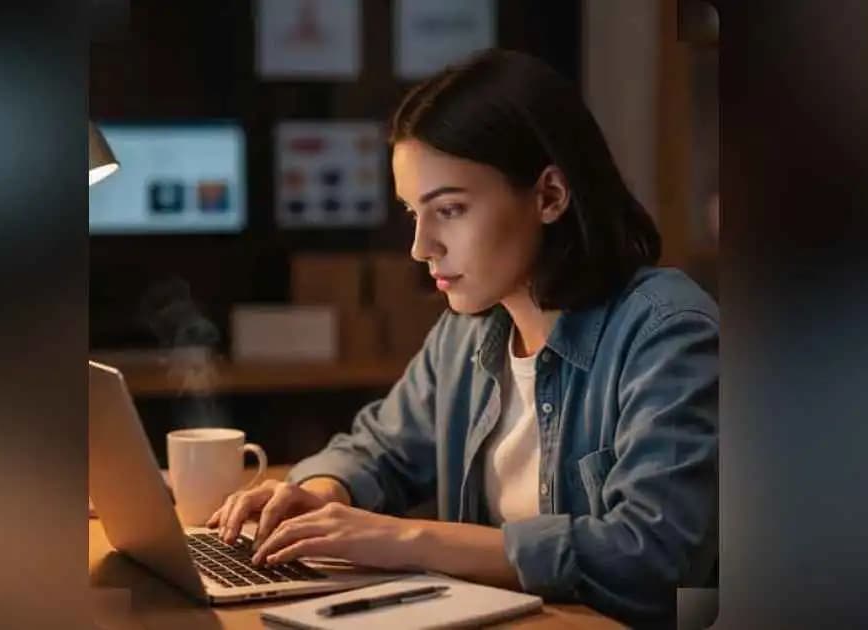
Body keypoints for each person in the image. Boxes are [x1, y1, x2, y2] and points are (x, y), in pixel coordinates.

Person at [207, 48, 718, 627]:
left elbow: (653, 559)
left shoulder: (669, 332)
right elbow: (379, 451)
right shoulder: (466, 332)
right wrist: (323, 493)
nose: (420, 247)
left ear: (550, 196)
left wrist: (408, 540)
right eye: (413, 213)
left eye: (449, 209)